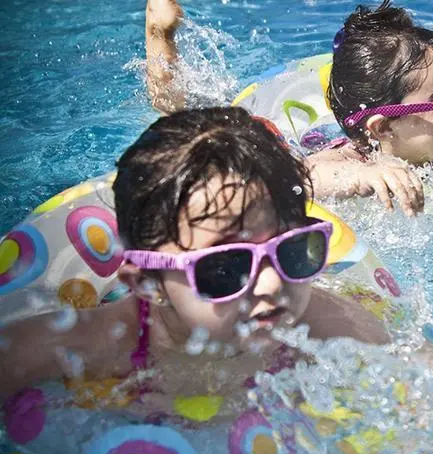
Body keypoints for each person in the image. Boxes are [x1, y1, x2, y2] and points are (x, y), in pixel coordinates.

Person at [0, 107, 390, 406]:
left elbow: (421, 381)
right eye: (226, 267)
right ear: (147, 283)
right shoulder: (86, 348)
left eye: (291, 251)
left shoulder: (326, 325)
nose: (272, 284)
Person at [144, 0, 433, 218]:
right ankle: (160, 35)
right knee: (184, 125)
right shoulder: (347, 156)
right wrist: (362, 175)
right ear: (381, 128)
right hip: (297, 142)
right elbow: (295, 181)